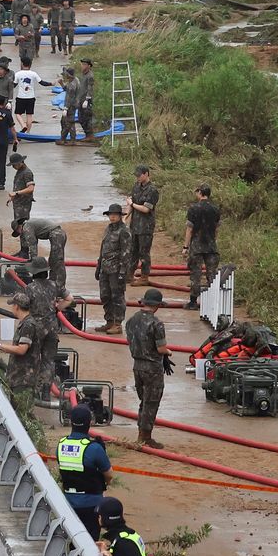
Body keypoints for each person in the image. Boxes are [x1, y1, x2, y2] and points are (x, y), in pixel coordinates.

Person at [56, 405, 112, 537]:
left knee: (72, 539)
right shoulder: (95, 449)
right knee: (90, 542)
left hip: (68, 502)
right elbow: (109, 475)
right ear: (90, 422)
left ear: (70, 421)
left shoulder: (61, 445)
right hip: (91, 503)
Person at [126, 288, 170, 449]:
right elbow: (161, 349)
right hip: (152, 368)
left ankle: (141, 434)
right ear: (157, 305)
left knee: (144, 400)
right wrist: (168, 352)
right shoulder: (156, 323)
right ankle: (146, 437)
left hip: (137, 366)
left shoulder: (131, 321)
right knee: (151, 402)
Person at [0, 292, 45, 408]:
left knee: (22, 412)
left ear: (17, 306)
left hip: (24, 379)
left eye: (13, 305)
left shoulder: (28, 325)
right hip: (19, 377)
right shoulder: (26, 323)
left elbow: (22, 349)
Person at [97, 203, 133, 335]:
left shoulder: (124, 231)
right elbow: (103, 248)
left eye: (114, 215)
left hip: (116, 270)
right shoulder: (108, 229)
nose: (112, 217)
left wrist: (123, 271)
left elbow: (127, 252)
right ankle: (109, 321)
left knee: (117, 296)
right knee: (105, 295)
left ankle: (117, 324)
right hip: (105, 268)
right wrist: (98, 266)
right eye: (110, 215)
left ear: (119, 216)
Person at [184, 183, 220, 310]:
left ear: (200, 193)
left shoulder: (193, 209)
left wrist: (185, 247)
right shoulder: (215, 209)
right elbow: (216, 228)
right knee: (212, 275)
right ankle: (214, 302)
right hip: (211, 246)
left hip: (196, 246)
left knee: (196, 274)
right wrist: (213, 241)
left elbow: (189, 229)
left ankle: (193, 302)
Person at [128, 165, 159, 285]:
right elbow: (132, 203)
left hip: (146, 226)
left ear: (146, 174)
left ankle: (144, 277)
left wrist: (132, 204)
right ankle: (129, 274)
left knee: (144, 252)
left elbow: (146, 209)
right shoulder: (136, 186)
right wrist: (126, 216)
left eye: (139, 175)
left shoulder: (152, 190)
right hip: (134, 225)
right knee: (132, 251)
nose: (137, 178)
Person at [20, 220, 68, 292]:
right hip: (58, 234)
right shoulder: (29, 225)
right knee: (52, 261)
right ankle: (53, 284)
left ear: (19, 227)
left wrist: (33, 260)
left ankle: (59, 288)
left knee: (57, 261)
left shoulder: (26, 227)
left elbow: (32, 243)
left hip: (56, 235)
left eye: (18, 232)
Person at [56, 66, 80, 145]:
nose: (65, 75)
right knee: (67, 122)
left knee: (67, 122)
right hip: (72, 105)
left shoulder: (72, 85)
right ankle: (67, 139)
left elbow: (70, 98)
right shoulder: (74, 80)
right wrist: (62, 84)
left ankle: (67, 139)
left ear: (69, 75)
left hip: (70, 105)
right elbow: (66, 89)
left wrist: (66, 108)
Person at [76, 59, 97, 141]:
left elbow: (90, 88)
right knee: (80, 118)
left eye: (84, 64)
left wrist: (87, 99)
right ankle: (87, 134)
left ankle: (89, 135)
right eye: (82, 64)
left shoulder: (90, 76)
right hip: (81, 99)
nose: (82, 66)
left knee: (86, 118)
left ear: (89, 66)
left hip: (86, 100)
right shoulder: (83, 75)